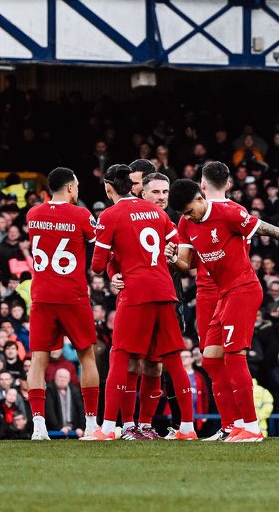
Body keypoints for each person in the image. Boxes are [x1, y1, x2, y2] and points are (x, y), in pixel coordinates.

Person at [168, 163, 279, 442]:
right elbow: (186, 264)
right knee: (211, 359)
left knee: (234, 355)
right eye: (184, 214)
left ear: (201, 197)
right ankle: (233, 425)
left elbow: (272, 230)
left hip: (244, 289)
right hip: (222, 294)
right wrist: (172, 259)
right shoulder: (186, 222)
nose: (189, 216)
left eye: (191, 209)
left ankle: (251, 427)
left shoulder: (230, 212)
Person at [82, 163, 196, 441]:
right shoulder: (158, 214)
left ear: (109, 189)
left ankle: (109, 427)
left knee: (120, 356)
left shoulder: (110, 214)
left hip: (136, 294)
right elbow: (177, 249)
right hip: (166, 292)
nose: (160, 196)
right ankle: (187, 428)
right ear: (137, 189)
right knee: (173, 360)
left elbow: (97, 264)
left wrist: (114, 268)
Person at [25, 166, 100, 441]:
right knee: (87, 356)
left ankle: (38, 425)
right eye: (77, 186)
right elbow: (98, 243)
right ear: (70, 187)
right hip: (72, 295)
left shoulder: (34, 214)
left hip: (42, 295)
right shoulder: (81, 214)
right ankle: (92, 423)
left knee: (38, 360)